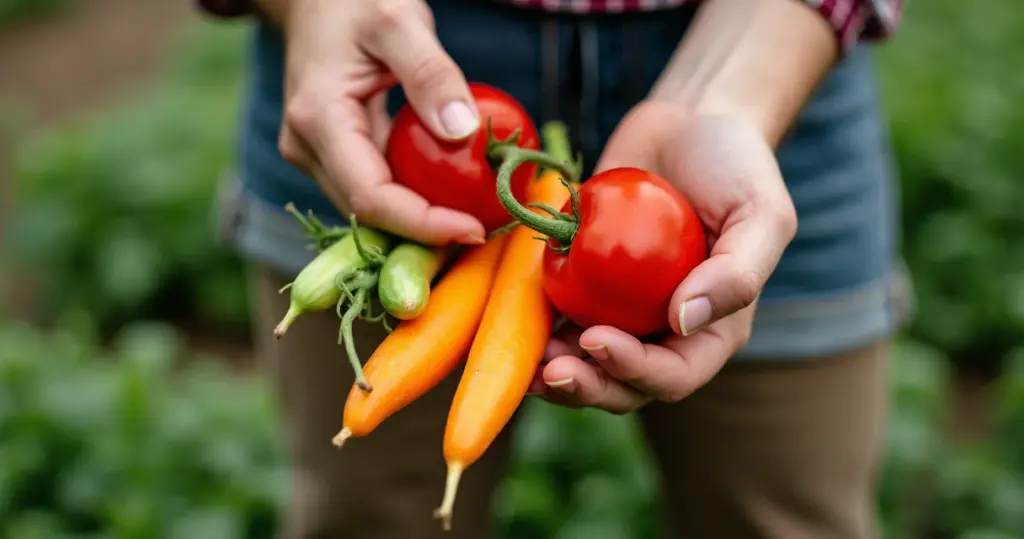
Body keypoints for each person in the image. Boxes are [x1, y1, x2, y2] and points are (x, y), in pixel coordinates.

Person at [197, 0, 910, 537]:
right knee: (369, 517)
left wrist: (725, 95)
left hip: (770, 43)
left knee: (788, 516)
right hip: (386, 71)